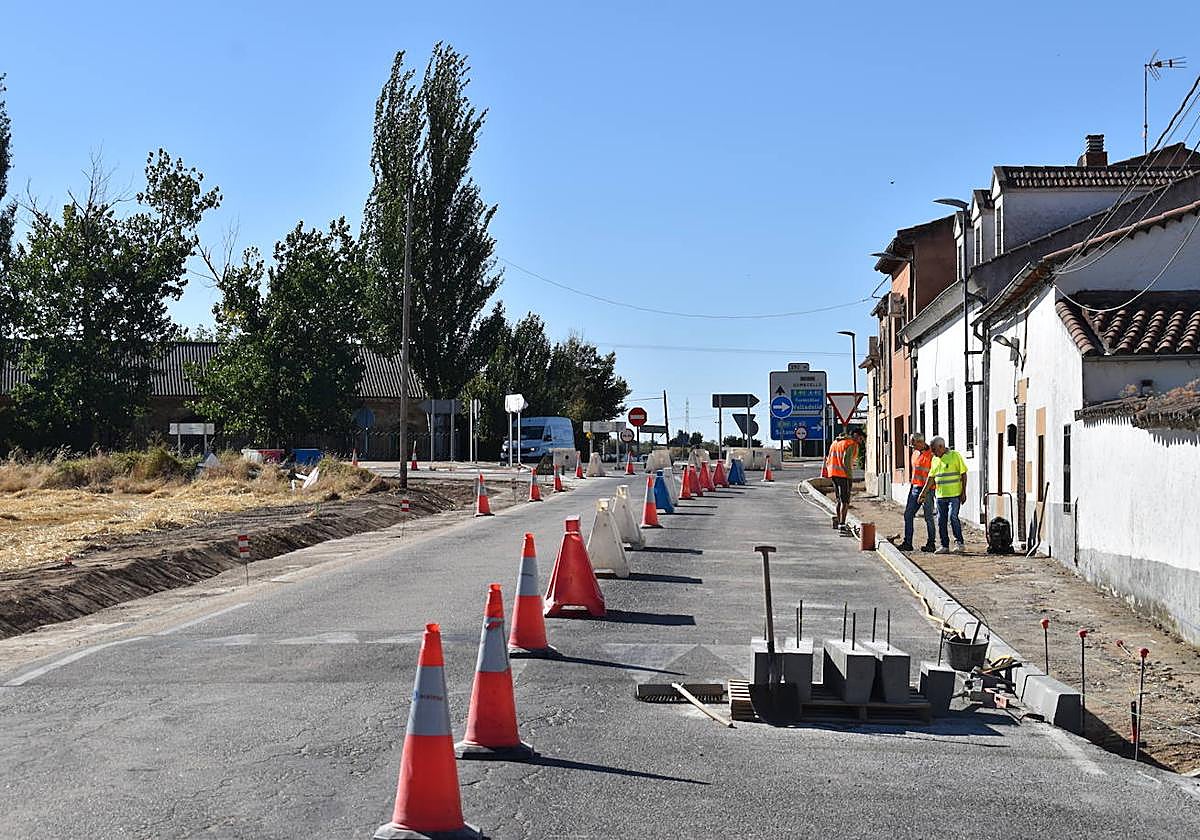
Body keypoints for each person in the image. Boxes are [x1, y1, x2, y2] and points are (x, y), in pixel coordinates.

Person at [918, 436, 967, 554]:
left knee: (952, 517)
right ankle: (944, 545)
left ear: (941, 447)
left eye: (934, 450)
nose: (933, 453)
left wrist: (963, 492)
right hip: (940, 496)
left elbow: (963, 474)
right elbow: (931, 478)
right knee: (941, 520)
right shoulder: (935, 459)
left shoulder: (955, 456)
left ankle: (959, 543)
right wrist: (923, 493)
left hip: (954, 495)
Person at [897, 433, 935, 552]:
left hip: (928, 489)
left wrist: (925, 491)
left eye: (913, 443)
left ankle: (931, 543)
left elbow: (932, 475)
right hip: (915, 488)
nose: (912, 446)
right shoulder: (914, 454)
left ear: (920, 442)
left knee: (928, 517)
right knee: (908, 514)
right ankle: (908, 543)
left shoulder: (932, 455)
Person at [824, 429, 865, 534]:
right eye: (860, 438)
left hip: (833, 473)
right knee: (845, 501)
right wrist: (849, 476)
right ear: (855, 435)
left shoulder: (835, 442)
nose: (861, 441)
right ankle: (842, 525)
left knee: (839, 500)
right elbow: (846, 462)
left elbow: (828, 459)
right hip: (843, 475)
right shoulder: (851, 444)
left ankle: (838, 522)